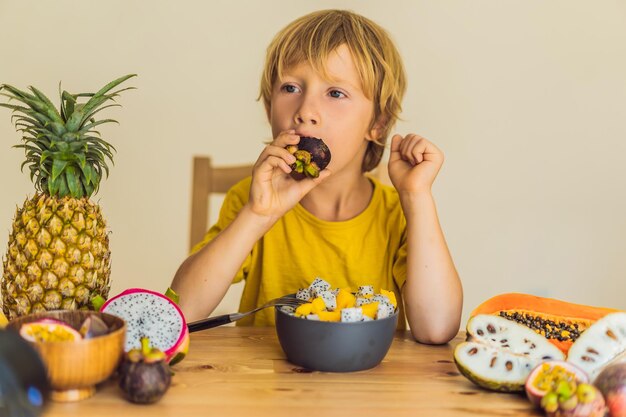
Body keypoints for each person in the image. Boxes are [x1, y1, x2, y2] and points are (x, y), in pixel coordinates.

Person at [171, 9, 462, 344]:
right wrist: (257, 215)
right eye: (291, 87)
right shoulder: (250, 200)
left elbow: (437, 328)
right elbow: (181, 312)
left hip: (371, 389)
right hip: (266, 386)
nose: (305, 112)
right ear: (269, 109)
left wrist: (416, 197)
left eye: (335, 93)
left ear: (377, 124)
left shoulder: (397, 213)